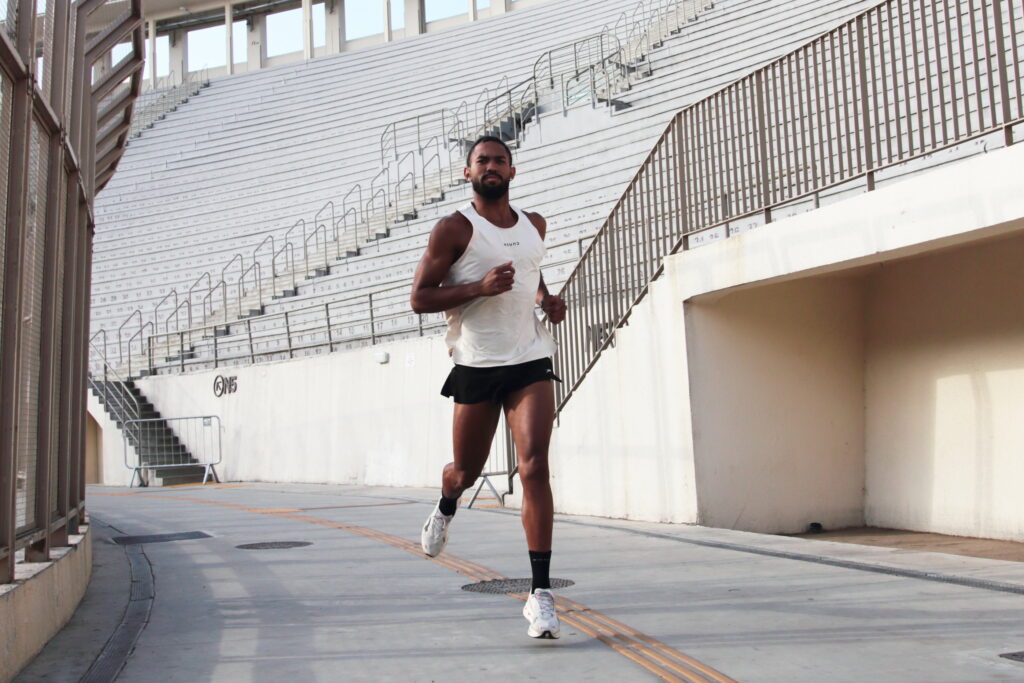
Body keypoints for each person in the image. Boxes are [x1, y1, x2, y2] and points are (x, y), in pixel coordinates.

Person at [410, 135, 567, 639]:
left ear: (513, 172)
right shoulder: (454, 228)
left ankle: (541, 596)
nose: (491, 166)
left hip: (528, 357)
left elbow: (530, 274)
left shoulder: (534, 225)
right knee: (466, 471)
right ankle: (446, 502)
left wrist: (546, 299)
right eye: (482, 161)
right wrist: (478, 288)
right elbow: (419, 298)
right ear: (468, 173)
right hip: (477, 363)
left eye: (500, 160)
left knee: (534, 465)